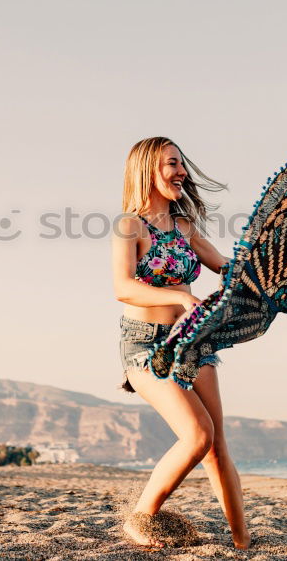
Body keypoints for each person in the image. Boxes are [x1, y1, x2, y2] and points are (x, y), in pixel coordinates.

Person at [111, 136, 250, 550]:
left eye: (182, 164)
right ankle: (143, 516)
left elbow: (226, 267)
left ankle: (243, 542)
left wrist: (259, 273)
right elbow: (123, 287)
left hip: (193, 341)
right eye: (172, 163)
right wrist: (180, 295)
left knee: (217, 446)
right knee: (197, 434)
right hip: (146, 345)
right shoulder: (129, 225)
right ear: (147, 170)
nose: (182, 171)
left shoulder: (186, 228)